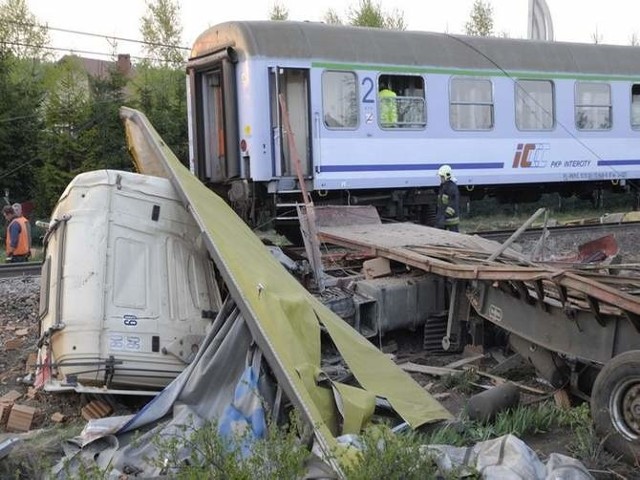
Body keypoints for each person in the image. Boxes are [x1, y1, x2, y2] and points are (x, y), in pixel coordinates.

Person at [435, 164, 460, 232]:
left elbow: (453, 204)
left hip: (451, 220)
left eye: (442, 177)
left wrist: (445, 216)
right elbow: (441, 203)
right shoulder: (443, 186)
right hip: (444, 219)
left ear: (446, 176)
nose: (441, 179)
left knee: (454, 238)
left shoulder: (452, 188)